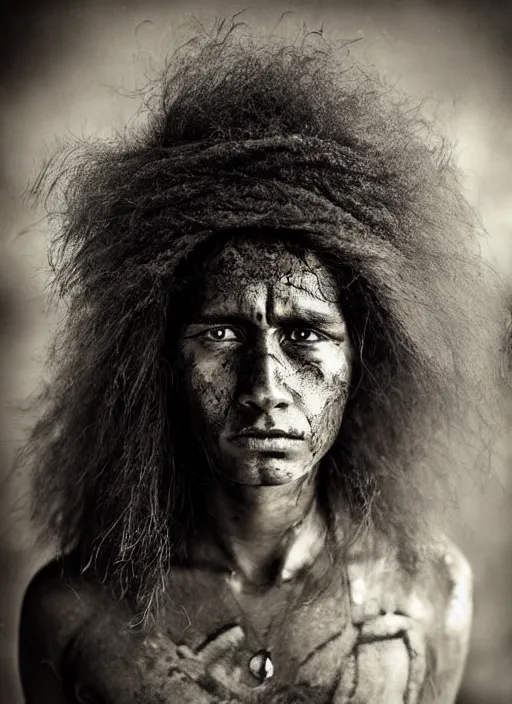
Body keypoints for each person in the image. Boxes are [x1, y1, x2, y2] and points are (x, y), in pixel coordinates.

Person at [17, 21, 501, 704]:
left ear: (366, 358)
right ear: (154, 361)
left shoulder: (426, 594)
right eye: (221, 335)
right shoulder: (73, 616)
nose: (264, 388)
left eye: (305, 336)